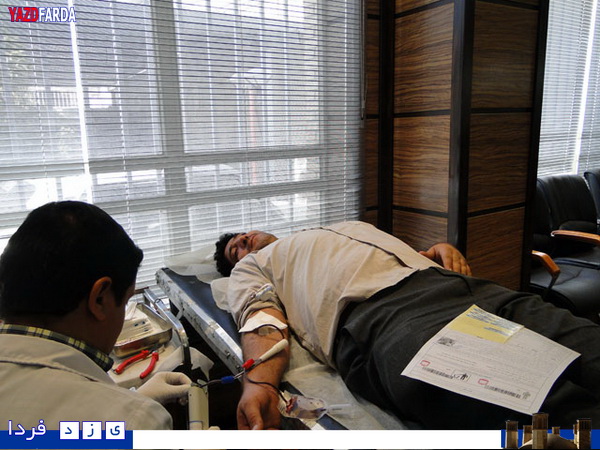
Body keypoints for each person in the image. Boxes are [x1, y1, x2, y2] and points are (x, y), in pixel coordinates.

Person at [214, 221, 600, 430]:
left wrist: (436, 252)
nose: (244, 241)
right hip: (388, 317)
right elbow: (261, 316)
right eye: (236, 248)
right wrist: (260, 383)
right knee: (557, 415)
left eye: (243, 234)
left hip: (464, 289)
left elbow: (392, 259)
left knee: (588, 349)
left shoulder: (327, 230)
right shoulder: (254, 266)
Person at [0, 201, 191, 430]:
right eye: (125, 302)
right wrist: (133, 414)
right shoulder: (134, 424)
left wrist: (130, 400)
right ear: (100, 299)